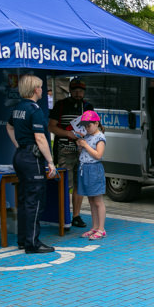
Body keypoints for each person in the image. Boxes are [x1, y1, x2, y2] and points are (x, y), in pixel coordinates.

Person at [6, 74, 57, 254]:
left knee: (23, 200)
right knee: (34, 201)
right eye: (41, 87)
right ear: (36, 89)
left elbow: (9, 126)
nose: (43, 90)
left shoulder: (18, 108)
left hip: (20, 156)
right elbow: (40, 137)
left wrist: (19, 145)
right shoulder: (35, 110)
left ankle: (23, 240)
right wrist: (50, 162)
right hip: (32, 159)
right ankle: (32, 243)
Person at [48, 77, 95, 229]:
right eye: (75, 90)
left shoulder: (88, 106)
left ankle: (76, 215)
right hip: (65, 150)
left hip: (82, 151)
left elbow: (95, 127)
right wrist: (67, 134)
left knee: (79, 184)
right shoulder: (60, 106)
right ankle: (63, 214)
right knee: (65, 183)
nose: (78, 93)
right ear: (70, 90)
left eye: (80, 90)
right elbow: (51, 127)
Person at [75, 110, 108, 240]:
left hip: (94, 169)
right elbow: (83, 154)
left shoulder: (100, 137)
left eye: (89, 125)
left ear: (96, 123)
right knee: (91, 200)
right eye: (85, 126)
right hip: (85, 168)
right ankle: (94, 227)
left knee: (98, 200)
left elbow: (98, 155)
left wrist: (85, 145)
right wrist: (80, 146)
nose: (87, 128)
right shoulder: (87, 136)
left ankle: (101, 228)